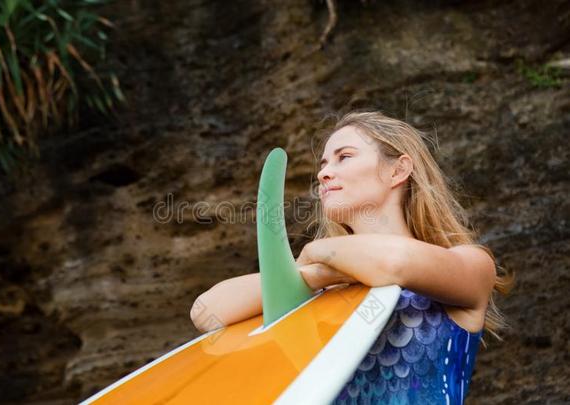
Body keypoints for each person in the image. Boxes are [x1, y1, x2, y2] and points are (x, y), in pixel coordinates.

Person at [190, 110, 514, 404]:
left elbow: (395, 263)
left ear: (397, 170)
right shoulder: (325, 286)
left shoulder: (471, 263)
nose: (324, 174)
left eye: (343, 157)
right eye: (323, 165)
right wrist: (315, 276)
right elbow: (207, 312)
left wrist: (314, 252)